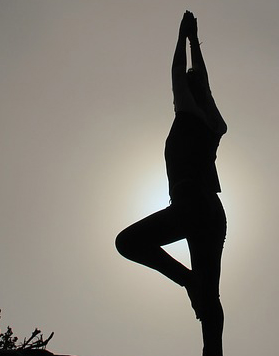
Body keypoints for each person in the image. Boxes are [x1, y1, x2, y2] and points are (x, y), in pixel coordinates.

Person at [115, 10, 228, 356]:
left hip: (191, 203)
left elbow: (181, 73)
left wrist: (183, 38)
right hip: (214, 212)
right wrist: (196, 41)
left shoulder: (189, 115)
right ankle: (214, 352)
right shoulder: (214, 125)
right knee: (211, 295)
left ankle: (189, 282)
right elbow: (202, 81)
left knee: (128, 242)